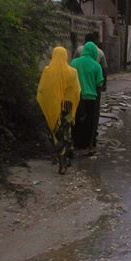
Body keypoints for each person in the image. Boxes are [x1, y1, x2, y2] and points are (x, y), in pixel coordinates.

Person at [37, 46, 81, 175]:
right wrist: (74, 108)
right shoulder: (72, 72)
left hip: (53, 109)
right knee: (66, 134)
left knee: (56, 135)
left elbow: (42, 90)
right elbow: (77, 91)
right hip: (67, 108)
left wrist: (48, 103)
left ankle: (62, 161)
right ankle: (64, 161)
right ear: (66, 56)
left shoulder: (47, 71)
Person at [70, 42, 104, 155]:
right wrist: (97, 102)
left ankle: (74, 145)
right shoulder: (96, 66)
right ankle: (91, 147)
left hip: (76, 97)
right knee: (91, 123)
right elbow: (99, 85)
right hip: (91, 98)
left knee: (75, 122)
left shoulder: (74, 62)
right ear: (94, 52)